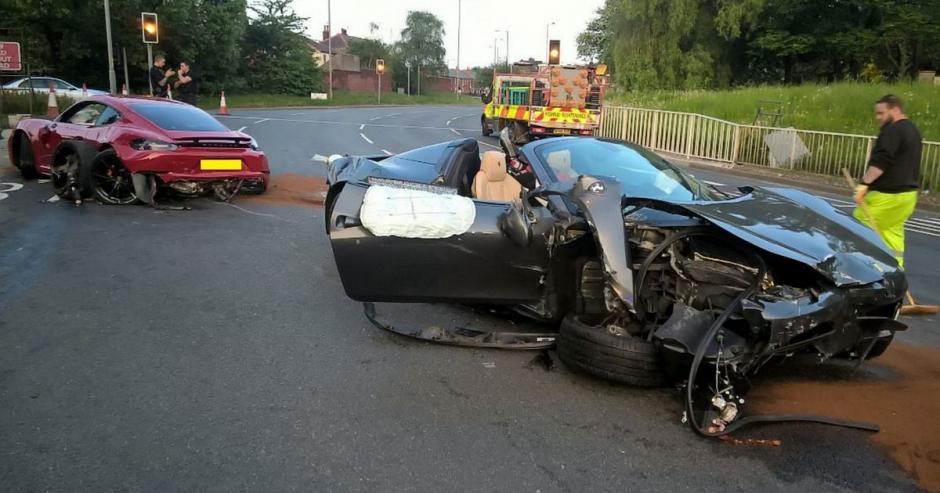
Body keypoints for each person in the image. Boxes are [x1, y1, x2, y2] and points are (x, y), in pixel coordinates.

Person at [853, 94, 921, 268]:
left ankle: (863, 270)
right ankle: (895, 271)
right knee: (892, 234)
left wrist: (864, 184)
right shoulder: (913, 130)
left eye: (881, 113)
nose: (878, 118)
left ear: (895, 110)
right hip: (907, 197)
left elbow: (882, 161)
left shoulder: (893, 130)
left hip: (887, 195)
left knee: (857, 227)